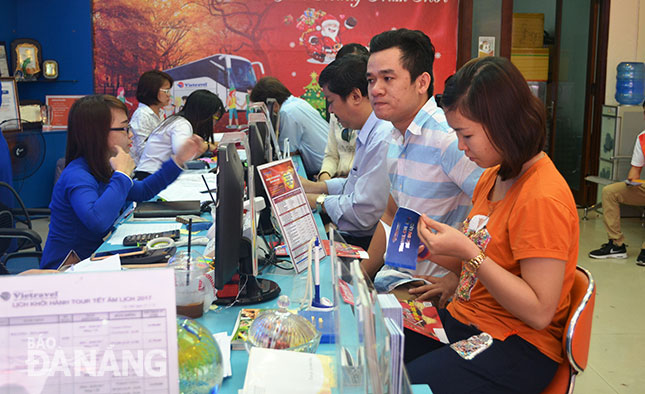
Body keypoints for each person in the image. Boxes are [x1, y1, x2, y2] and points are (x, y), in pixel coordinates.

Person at [407, 56, 579, 393]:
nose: (460, 145)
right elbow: (485, 258)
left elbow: (540, 311)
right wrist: (429, 246)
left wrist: (469, 254)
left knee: (406, 382)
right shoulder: (493, 176)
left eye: (466, 134)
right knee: (384, 341)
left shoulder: (542, 197)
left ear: (504, 124)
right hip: (468, 320)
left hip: (517, 345)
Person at [361, 29, 483, 305]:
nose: (375, 89)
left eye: (388, 78)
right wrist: (358, 276)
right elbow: (392, 214)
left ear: (422, 82)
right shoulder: (395, 136)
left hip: (429, 292)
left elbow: (495, 215)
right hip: (396, 279)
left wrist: (459, 277)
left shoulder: (449, 139)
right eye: (371, 80)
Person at [40, 95, 204, 269]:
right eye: (124, 128)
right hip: (65, 271)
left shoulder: (102, 167)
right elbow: (98, 221)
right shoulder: (77, 175)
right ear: (98, 133)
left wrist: (178, 160)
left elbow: (144, 191)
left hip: (93, 261)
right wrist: (122, 175)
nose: (131, 134)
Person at [300, 54, 392, 250]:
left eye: (331, 101)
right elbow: (355, 185)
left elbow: (363, 212)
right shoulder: (368, 130)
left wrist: (317, 200)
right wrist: (316, 187)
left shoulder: (382, 137)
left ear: (356, 96)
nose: (331, 110)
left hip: (367, 242)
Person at [589, 100, 645, 265]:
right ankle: (616, 245)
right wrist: (631, 182)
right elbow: (635, 171)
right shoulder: (642, 138)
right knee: (610, 191)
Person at [250, 76, 329, 178]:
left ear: (273, 105)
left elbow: (287, 153)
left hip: (323, 172)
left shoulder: (287, 113)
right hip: (325, 164)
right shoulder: (296, 103)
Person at [135, 89, 223, 178]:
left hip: (154, 174)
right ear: (204, 113)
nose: (215, 121)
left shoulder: (178, 121)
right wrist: (205, 147)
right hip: (149, 176)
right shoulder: (182, 124)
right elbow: (182, 153)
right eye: (215, 116)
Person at [318, 43, 369, 181]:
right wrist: (324, 178)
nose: (330, 109)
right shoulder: (338, 112)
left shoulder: (380, 128)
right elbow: (331, 155)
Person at [130, 70, 174, 165]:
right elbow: (143, 151)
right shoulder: (142, 115)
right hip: (143, 170)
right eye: (166, 91)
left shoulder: (160, 112)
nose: (169, 95)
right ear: (153, 90)